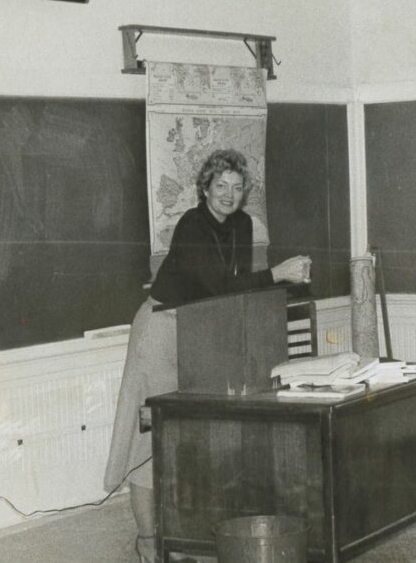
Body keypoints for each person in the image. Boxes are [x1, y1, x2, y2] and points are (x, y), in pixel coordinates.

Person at [104, 149, 310, 563]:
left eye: (237, 187)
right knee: (152, 438)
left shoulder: (243, 225)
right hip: (162, 331)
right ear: (205, 187)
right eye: (221, 186)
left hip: (202, 331)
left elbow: (237, 289)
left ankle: (180, 539)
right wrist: (279, 273)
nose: (229, 195)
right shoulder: (191, 225)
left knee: (189, 439)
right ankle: (148, 541)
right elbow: (217, 285)